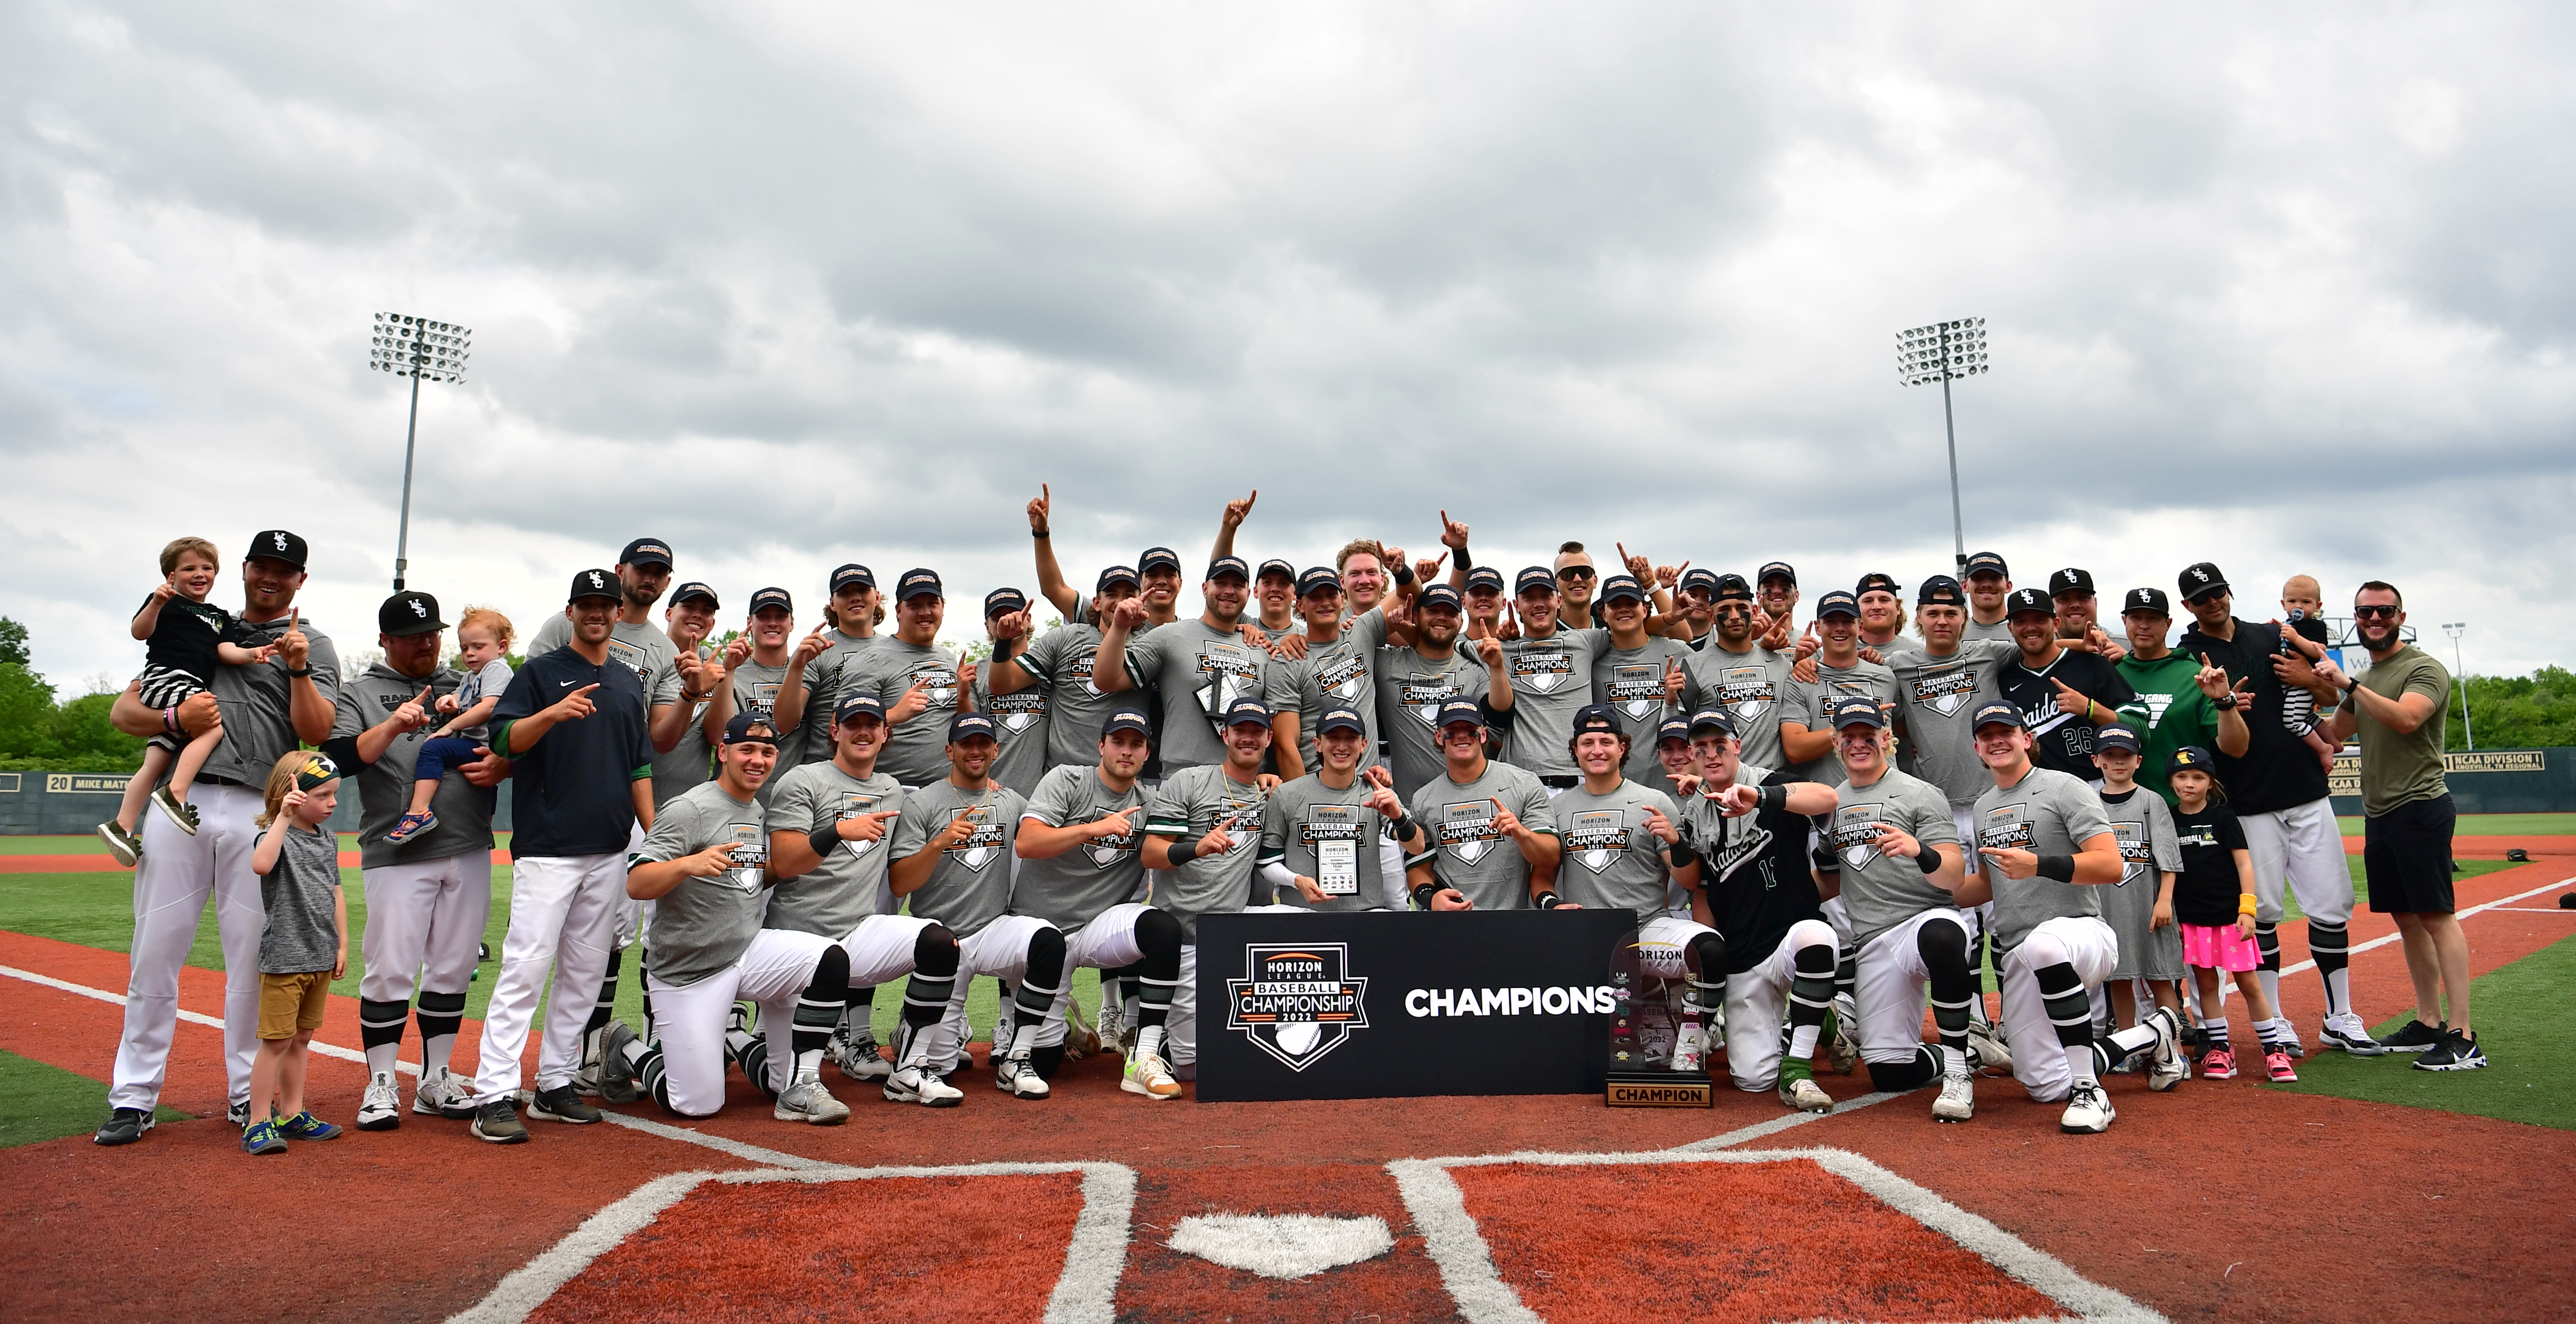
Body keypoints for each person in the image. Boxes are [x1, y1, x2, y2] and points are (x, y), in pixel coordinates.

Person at [96, 530, 338, 1147]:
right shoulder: (202, 623)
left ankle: (244, 1097)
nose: (272, 578)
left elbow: (316, 731)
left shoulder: (314, 643)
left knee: (255, 961)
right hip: (188, 796)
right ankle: (133, 1095)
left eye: (286, 571)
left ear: (300, 581)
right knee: (155, 948)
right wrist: (176, 719)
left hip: (261, 809)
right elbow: (126, 713)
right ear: (246, 569)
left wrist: (298, 664)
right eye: (262, 565)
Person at [466, 569, 657, 1145]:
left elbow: (640, 769)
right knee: (525, 968)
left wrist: (656, 837)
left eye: (606, 605)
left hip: (609, 848)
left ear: (618, 613)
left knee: (584, 974)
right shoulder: (539, 674)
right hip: (549, 848)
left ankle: (554, 1083)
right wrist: (551, 713)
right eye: (587, 605)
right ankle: (494, 1094)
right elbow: (502, 742)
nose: (598, 613)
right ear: (571, 612)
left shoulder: (626, 683)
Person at [598, 713, 854, 1125]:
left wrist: (820, 842)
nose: (758, 760)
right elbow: (637, 883)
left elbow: (754, 874)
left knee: (829, 957)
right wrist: (688, 864)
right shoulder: (690, 808)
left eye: (768, 752)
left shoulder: (756, 808)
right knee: (696, 1105)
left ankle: (799, 1082)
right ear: (723, 752)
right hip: (690, 970)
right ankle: (624, 1046)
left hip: (746, 953)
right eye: (747, 749)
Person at [2177, 561, 2373, 1056]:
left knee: (2331, 907)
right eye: (2202, 598)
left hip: (2305, 791)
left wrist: (2312, 678)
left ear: (2229, 592)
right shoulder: (2185, 657)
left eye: (2219, 592)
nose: (2214, 602)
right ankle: (2278, 1021)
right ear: (2188, 607)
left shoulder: (2271, 635)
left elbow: (2327, 693)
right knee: (2261, 915)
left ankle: (2340, 1016)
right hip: (2246, 801)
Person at [321, 592, 501, 1130]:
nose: (426, 643)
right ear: (385, 640)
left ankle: (436, 1079)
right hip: (396, 853)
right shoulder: (359, 692)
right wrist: (396, 725)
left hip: (469, 844)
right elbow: (341, 757)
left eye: (432, 633)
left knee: (452, 967)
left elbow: (509, 737)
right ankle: (380, 1082)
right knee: (390, 970)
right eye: (412, 635)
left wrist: (504, 768)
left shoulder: (467, 682)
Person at [1964, 701, 2185, 1130]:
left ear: (2027, 739)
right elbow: (1987, 886)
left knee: (2044, 943)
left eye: (2006, 731)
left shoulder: (2064, 787)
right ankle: (2152, 1033)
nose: (1997, 740)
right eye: (1987, 735)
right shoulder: (1980, 807)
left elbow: (2111, 864)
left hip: (2081, 934)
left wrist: (2039, 863)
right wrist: (1922, 870)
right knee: (2045, 1087)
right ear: (1977, 748)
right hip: (2019, 955)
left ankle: (2091, 1092)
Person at [982, 708, 1190, 1100]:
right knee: (1043, 1066)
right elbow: (1028, 843)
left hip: (1098, 928)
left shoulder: (1152, 801)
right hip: (1043, 932)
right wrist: (1090, 829)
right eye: (1118, 742)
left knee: (1162, 928)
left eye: (1136, 745)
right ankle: (1063, 1031)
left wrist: (1265, 782)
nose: (1126, 752)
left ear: (1148, 753)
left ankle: (1143, 1055)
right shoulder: (1067, 779)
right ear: (1101, 745)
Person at [2313, 582, 2479, 1069]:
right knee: (2407, 920)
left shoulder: (2422, 668)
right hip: (2381, 813)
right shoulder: (2367, 676)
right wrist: (2292, 696)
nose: (2373, 619)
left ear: (2400, 616)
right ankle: (2429, 1021)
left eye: (2383, 611)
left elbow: (2408, 719)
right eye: (2364, 612)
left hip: (2420, 807)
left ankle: (2463, 1034)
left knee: (2436, 916)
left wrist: (2348, 686)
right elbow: (2333, 735)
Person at [763, 691, 962, 1090]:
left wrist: (976, 790)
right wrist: (836, 830)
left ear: (886, 733)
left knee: (940, 943)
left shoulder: (891, 789)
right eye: (852, 724)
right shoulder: (803, 779)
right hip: (794, 938)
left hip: (855, 934)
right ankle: (741, 1043)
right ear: (834, 730)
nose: (863, 732)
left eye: (872, 725)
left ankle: (909, 1069)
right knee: (776, 1085)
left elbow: (905, 872)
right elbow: (783, 864)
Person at [1811, 696, 1980, 1122]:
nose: (1858, 744)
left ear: (1887, 739)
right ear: (1835, 743)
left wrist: (1918, 850)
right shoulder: (1830, 804)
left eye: (1868, 736)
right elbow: (1828, 879)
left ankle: (1958, 1074)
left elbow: (1954, 875)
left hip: (1924, 920)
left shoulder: (1921, 793)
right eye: (1848, 737)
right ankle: (1963, 1051)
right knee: (1889, 1073)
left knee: (1943, 936)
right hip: (1874, 940)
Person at [1683, 711, 1855, 1109]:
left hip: (1788, 941)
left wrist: (1758, 797)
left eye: (1720, 745)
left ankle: (1798, 1067)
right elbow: (1704, 887)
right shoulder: (1694, 812)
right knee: (1753, 1079)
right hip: (1744, 954)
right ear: (1692, 755)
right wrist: (1713, 958)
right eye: (1701, 748)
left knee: (1819, 936)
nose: (1712, 755)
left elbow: (1828, 798)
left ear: (1737, 746)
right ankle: (1824, 1023)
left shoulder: (1771, 783)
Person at [1880, 576, 2017, 1061]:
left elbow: (2045, 642)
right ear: (1916, 617)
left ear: (1964, 617)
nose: (1942, 621)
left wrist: (2094, 642)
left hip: (1989, 803)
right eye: (1932, 613)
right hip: (1936, 811)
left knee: (2005, 917)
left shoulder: (1990, 652)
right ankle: (1975, 1020)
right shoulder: (1897, 664)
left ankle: (2016, 1021)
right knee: (1961, 919)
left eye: (1951, 612)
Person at [1143, 697, 1303, 1082]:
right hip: (1184, 935)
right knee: (1192, 1069)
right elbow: (1150, 854)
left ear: (1268, 739)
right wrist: (1196, 848)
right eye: (1240, 730)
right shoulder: (1190, 781)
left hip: (1233, 930)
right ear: (1225, 734)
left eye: (1256, 732)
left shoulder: (1270, 796)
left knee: (1310, 927)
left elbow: (1270, 859)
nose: (1247, 738)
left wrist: (1298, 883)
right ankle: (1165, 1038)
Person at [1542, 707, 1708, 1060]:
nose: (1596, 750)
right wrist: (1553, 905)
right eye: (1587, 742)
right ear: (1575, 750)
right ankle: (1652, 1011)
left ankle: (1692, 1038)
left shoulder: (1654, 801)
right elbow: (1541, 874)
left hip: (1646, 928)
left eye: (1606, 741)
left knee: (1705, 950)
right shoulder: (1555, 808)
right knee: (1591, 1054)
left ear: (1622, 747)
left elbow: (1688, 879)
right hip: (1586, 934)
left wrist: (1676, 843)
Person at [100, 536, 275, 862]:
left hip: (182, 686)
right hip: (169, 677)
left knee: (156, 761)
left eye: (207, 567)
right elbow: (140, 632)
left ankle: (122, 825)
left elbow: (226, 652)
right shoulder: (166, 602)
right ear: (171, 576)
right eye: (189, 568)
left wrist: (254, 653)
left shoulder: (219, 616)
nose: (199, 573)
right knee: (212, 729)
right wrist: (155, 602)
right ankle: (176, 793)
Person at [887, 713, 1025, 1105]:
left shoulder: (1010, 800)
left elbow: (1041, 835)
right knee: (941, 1068)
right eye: (966, 744)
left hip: (992, 930)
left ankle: (1022, 1048)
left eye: (984, 743)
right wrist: (939, 843)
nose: (976, 751)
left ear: (996, 750)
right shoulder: (923, 802)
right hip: (941, 943)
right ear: (950, 750)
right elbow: (900, 884)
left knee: (1044, 941)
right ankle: (910, 1031)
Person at [2166, 745, 2300, 1081]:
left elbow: (2243, 864)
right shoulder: (2169, 819)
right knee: (2206, 985)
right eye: (2182, 776)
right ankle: (2220, 1049)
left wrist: (2248, 909)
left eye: (2198, 777)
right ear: (2171, 782)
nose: (2189, 784)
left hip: (2229, 919)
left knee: (2249, 984)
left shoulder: (2223, 817)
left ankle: (2273, 1051)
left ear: (2210, 783)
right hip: (2193, 921)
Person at [239, 751, 349, 1155]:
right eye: (323, 795)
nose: (332, 803)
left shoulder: (329, 838)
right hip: (286, 958)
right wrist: (283, 818)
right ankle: (257, 1123)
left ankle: (292, 1113)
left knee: (302, 1038)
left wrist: (342, 943)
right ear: (293, 794)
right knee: (276, 1041)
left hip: (319, 953)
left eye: (334, 794)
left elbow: (336, 890)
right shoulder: (275, 835)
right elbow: (261, 865)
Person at [1093, 557, 1289, 773]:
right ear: (1205, 589)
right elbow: (1106, 680)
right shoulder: (1170, 636)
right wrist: (1120, 627)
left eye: (1238, 586)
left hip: (1242, 785)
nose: (1229, 591)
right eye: (1221, 583)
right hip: (1182, 780)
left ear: (1249, 593)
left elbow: (1277, 728)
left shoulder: (1261, 649)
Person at [2089, 725, 2190, 1084]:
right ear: (2096, 760)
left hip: (2147, 903)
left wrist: (2164, 900)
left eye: (2125, 756)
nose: (2118, 762)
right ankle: (2126, 1048)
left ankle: (2173, 1048)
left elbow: (2168, 857)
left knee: (2160, 975)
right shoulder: (2089, 802)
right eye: (2110, 756)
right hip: (2107, 905)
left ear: (2138, 761)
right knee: (2118, 978)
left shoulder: (2150, 801)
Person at [1404, 698, 1558, 912]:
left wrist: (1522, 834)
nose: (1461, 735)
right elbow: (1418, 868)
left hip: (1512, 923)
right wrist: (1431, 900)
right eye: (1452, 729)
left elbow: (1551, 858)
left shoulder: (1524, 783)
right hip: (1451, 923)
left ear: (1484, 734)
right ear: (1439, 737)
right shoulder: (1423, 798)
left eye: (1470, 729)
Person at [1259, 708, 1412, 912]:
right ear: (1318, 744)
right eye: (1332, 738)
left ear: (1363, 745)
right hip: (1304, 917)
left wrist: (1398, 816)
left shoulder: (1377, 793)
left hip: (1364, 914)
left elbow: (1417, 847)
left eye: (1351, 738)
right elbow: (1266, 860)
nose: (1342, 746)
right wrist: (1297, 881)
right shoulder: (1288, 794)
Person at [992, 565, 1139, 775]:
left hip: (1121, 777)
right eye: (1112, 594)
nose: (1120, 602)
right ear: (1096, 603)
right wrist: (1004, 643)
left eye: (1129, 595)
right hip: (1064, 777)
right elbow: (1002, 684)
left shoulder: (1149, 647)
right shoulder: (1064, 638)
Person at [388, 607, 514, 843]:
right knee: (483, 788)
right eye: (465, 648)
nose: (470, 654)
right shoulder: (470, 676)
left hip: (485, 743)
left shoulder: (497, 669)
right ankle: (483, 831)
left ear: (502, 647)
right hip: (478, 744)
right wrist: (451, 701)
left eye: (478, 647)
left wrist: (449, 726)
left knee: (434, 749)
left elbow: (488, 707)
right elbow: (461, 696)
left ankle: (419, 812)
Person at [1373, 584, 1500, 802]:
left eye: (1451, 613)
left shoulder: (1475, 668)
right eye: (1433, 611)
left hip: (1470, 805)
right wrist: (1291, 633)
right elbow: (1350, 639)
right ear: (1415, 616)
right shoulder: (1386, 663)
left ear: (1461, 621)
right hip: (1409, 806)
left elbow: (1499, 727)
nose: (1442, 618)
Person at [2111, 587, 2234, 810]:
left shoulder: (2194, 675)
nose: (2144, 626)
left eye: (2153, 619)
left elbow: (2235, 748)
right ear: (2124, 621)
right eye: (2136, 618)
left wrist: (2225, 701)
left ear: (2168, 624)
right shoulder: (2112, 676)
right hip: (2123, 810)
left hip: (2184, 810)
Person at [1271, 565, 1396, 779]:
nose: (1325, 602)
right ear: (1300, 605)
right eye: (1315, 597)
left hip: (1368, 787)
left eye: (1331, 595)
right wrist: (1302, 798)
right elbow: (1285, 744)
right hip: (1319, 785)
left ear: (1343, 599)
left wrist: (1401, 571)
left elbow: (1405, 595)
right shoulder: (1288, 660)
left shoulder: (1362, 632)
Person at [1997, 587, 2134, 780]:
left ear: (2055, 624)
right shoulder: (2005, 679)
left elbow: (2139, 726)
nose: (2030, 628)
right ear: (2010, 629)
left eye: (2039, 620)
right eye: (2021, 622)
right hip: (2039, 790)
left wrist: (2090, 708)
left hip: (2097, 784)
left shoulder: (2093, 664)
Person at [1499, 566, 1609, 791]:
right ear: (1517, 606)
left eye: (1546, 596)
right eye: (1529, 598)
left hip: (1581, 780)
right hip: (1523, 784)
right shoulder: (1499, 649)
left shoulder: (1587, 641)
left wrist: (1657, 592)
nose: (1539, 604)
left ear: (1559, 600)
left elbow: (1637, 629)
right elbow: (1437, 641)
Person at [1679, 573, 1798, 775]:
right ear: (1711, 616)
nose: (1734, 616)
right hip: (1721, 785)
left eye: (1741, 609)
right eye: (1725, 610)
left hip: (1772, 785)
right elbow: (1683, 735)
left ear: (1754, 611)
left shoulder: (1781, 664)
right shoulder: (1691, 666)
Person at [1778, 591, 1898, 782]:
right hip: (1828, 802)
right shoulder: (1801, 679)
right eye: (1831, 621)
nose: (1840, 628)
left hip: (1885, 798)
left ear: (1861, 627)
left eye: (1848, 621)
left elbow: (1903, 728)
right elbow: (1795, 750)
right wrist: (1854, 721)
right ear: (1818, 628)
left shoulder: (1885, 676)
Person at [1592, 576, 1694, 794]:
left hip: (1674, 785)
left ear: (1646, 610)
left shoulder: (1679, 652)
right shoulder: (1593, 661)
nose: (1623, 610)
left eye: (1631, 604)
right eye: (1615, 605)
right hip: (1616, 786)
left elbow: (1702, 713)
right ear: (1603, 614)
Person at [791, 563, 889, 771]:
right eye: (845, 593)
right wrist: (797, 667)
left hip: (881, 774)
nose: (855, 598)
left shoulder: (895, 650)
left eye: (863, 591)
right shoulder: (816, 649)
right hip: (824, 769)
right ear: (832, 604)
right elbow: (786, 722)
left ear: (877, 597)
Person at [974, 587, 1050, 795]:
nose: (1008, 621)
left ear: (1028, 619)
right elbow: (967, 735)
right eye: (998, 618)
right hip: (990, 791)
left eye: (1016, 614)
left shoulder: (1049, 668)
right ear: (988, 627)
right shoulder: (975, 672)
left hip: (1041, 796)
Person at [1961, 552, 2015, 642]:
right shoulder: (1955, 634)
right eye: (1977, 578)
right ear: (1965, 586)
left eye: (1995, 578)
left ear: (2008, 586)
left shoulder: (2024, 632)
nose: (1987, 584)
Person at [1552, 542, 1601, 630]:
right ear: (1556, 583)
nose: (1577, 579)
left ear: (1595, 581)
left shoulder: (1611, 630)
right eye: (1568, 574)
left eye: (1585, 572)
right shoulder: (1547, 634)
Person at [1854, 572, 1907, 651]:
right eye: (1868, 601)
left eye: (1884, 600)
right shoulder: (1841, 656)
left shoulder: (1917, 654)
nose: (1876, 607)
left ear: (1898, 609)